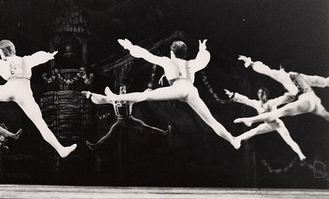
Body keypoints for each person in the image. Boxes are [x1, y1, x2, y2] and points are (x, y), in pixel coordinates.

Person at [104, 39, 240, 149]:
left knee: (145, 95)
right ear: (184, 54)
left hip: (178, 88)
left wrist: (130, 46)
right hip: (191, 91)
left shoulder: (166, 61)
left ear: (172, 52)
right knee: (211, 121)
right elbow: (204, 59)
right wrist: (202, 49)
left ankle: (114, 97)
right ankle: (232, 140)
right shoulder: (191, 64)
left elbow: (146, 55)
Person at [234, 56, 329, 127]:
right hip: (314, 100)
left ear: (281, 67)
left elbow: (266, 70)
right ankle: (251, 121)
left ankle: (251, 120)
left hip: (305, 101)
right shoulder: (300, 75)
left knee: (277, 113)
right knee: (326, 115)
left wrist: (250, 63)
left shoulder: (282, 74)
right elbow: (320, 81)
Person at [225, 87, 305, 160]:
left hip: (277, 124)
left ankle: (301, 155)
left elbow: (283, 98)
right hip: (267, 125)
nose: (260, 95)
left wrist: (297, 93)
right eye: (259, 93)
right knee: (253, 131)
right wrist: (232, 95)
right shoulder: (256, 103)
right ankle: (237, 138)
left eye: (262, 93)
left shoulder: (272, 102)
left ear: (266, 95)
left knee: (289, 140)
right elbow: (246, 100)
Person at [82, 85, 167, 150]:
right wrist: (90, 94)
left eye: (124, 90)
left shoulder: (129, 99)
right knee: (109, 135)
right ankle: (95, 146)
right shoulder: (113, 99)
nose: (123, 91)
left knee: (146, 127)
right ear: (119, 91)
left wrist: (147, 92)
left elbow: (140, 96)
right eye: (121, 90)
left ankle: (164, 133)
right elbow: (102, 97)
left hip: (130, 119)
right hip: (120, 120)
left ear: (125, 91)